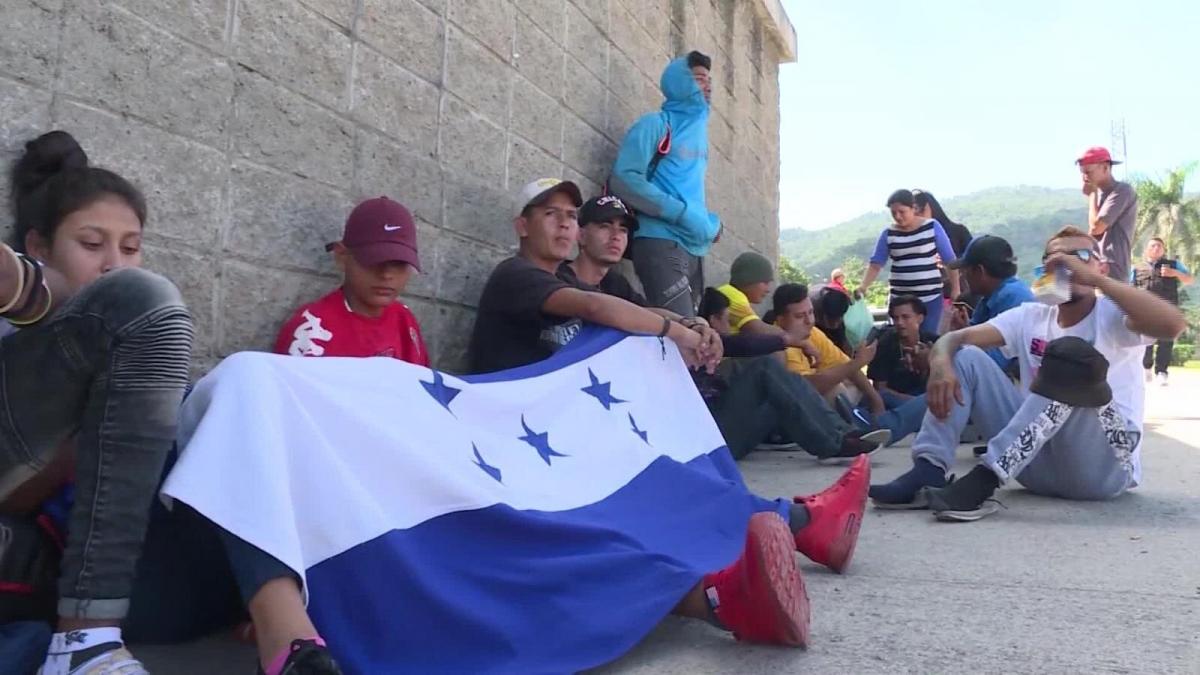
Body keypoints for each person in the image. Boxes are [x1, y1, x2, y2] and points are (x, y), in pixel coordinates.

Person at [467, 177, 875, 646]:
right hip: (523, 448)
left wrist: (693, 325)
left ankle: (793, 532)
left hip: (568, 436)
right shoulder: (517, 277)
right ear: (523, 225)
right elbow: (598, 308)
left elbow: (624, 311)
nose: (565, 225)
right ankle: (754, 569)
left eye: (569, 216)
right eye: (550, 215)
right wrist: (673, 328)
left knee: (667, 479)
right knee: (649, 495)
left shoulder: (592, 282)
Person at [0, 131, 194, 675]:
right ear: (39, 248)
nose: (115, 263)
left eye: (130, 248)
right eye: (92, 244)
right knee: (144, 299)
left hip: (106, 572)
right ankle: (83, 640)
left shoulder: (140, 344)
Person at [869, 227, 1186, 520]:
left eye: (1082, 257)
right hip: (1034, 464)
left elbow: (1172, 326)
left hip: (1104, 467)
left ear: (1101, 268)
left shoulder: (1114, 316)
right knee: (965, 357)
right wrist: (940, 363)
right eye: (1055, 260)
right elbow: (956, 339)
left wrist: (1097, 283)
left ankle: (984, 479)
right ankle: (928, 470)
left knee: (1069, 357)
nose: (1068, 265)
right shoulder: (1032, 315)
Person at [696, 287, 889, 461]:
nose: (809, 320)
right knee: (765, 368)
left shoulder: (713, 348)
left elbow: (738, 344)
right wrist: (788, 341)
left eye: (811, 313)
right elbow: (742, 344)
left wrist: (790, 341)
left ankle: (844, 433)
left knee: (773, 377)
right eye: (727, 320)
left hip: (729, 429)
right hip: (710, 440)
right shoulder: (693, 346)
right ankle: (834, 443)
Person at [609, 51, 719, 316]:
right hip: (659, 240)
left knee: (695, 335)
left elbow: (688, 189)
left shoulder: (699, 135)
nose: (707, 86)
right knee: (683, 333)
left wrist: (710, 224)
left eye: (708, 80)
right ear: (680, 82)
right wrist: (681, 213)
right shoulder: (656, 125)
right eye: (699, 79)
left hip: (694, 245)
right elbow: (623, 179)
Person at [274, 196, 428, 363]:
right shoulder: (314, 330)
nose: (386, 275)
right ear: (342, 256)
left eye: (399, 263)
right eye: (374, 260)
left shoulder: (404, 318)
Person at [768, 286, 928, 446]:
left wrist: (876, 399)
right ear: (781, 319)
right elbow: (803, 388)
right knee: (838, 389)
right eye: (799, 316)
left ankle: (872, 421)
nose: (809, 321)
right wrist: (857, 363)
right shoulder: (777, 344)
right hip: (797, 419)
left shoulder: (813, 333)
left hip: (836, 410)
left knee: (875, 393)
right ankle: (869, 426)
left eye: (810, 313)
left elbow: (846, 365)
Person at [858, 189, 960, 335]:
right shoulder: (888, 234)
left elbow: (950, 260)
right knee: (902, 339)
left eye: (902, 211)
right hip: (900, 301)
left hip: (930, 298)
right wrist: (863, 286)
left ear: (913, 208)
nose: (898, 217)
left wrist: (956, 289)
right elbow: (876, 264)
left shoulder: (932, 226)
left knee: (928, 338)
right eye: (894, 213)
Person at [946, 235, 1033, 372]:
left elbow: (992, 364)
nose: (963, 275)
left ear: (979, 271)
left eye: (965, 270)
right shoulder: (990, 296)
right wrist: (963, 330)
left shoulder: (1012, 298)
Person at [1132, 237, 1194, 385]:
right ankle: (1145, 369)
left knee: (1166, 341)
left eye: (1159, 246)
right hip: (1145, 310)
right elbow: (1129, 287)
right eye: (1153, 246)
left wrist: (1175, 273)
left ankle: (1161, 371)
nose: (1156, 248)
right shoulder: (1137, 268)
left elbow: (1189, 280)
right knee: (1145, 341)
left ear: (1164, 249)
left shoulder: (1174, 265)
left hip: (1168, 308)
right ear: (1147, 249)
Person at [1077, 146, 1137, 282]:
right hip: (1097, 267)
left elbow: (1096, 228)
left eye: (1088, 171)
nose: (1085, 177)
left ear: (1105, 168)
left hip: (1112, 269)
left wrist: (1092, 194)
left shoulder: (1122, 191)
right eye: (1082, 172)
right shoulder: (1101, 195)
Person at [868, 295, 938, 406]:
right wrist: (914, 402)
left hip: (927, 394)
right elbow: (880, 388)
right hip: (896, 397)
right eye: (896, 318)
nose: (900, 322)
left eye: (905, 317)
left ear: (920, 318)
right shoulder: (885, 345)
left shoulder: (933, 341)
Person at [913, 189, 972, 303]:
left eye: (921, 211)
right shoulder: (912, 237)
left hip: (959, 293)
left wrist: (952, 261)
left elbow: (973, 259)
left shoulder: (958, 231)